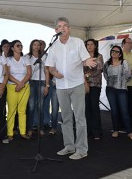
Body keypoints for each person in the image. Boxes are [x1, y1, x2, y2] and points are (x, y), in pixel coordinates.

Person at [45, 17, 97, 160]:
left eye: (65, 26)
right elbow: (50, 67)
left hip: (76, 85)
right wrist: (55, 73)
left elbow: (84, 59)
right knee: (66, 118)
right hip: (61, 87)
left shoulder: (78, 42)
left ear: (69, 28)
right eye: (60, 26)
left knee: (80, 118)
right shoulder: (53, 46)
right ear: (56, 30)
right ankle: (69, 146)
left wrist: (88, 61)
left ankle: (81, 149)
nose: (63, 28)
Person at [103, 45, 132, 140]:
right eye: (113, 51)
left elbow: (128, 76)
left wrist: (120, 82)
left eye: (117, 51)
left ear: (120, 54)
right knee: (114, 111)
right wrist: (113, 82)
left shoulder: (124, 62)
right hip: (110, 89)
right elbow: (105, 76)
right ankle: (115, 130)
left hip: (122, 90)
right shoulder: (106, 64)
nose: (114, 53)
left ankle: (129, 132)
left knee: (124, 111)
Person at [6, 40, 31, 141]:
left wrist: (21, 84)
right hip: (12, 87)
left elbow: (29, 73)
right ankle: (10, 133)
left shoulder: (25, 59)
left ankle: (23, 132)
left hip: (24, 87)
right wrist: (18, 83)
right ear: (12, 48)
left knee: (22, 110)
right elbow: (8, 74)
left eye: (21, 45)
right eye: (17, 45)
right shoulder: (8, 59)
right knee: (12, 110)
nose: (20, 47)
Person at [26, 39, 49, 137]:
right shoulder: (27, 57)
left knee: (41, 106)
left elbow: (47, 71)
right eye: (34, 45)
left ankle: (41, 128)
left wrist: (47, 85)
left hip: (42, 82)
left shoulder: (44, 56)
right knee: (31, 106)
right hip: (31, 82)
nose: (36, 46)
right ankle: (30, 128)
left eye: (38, 45)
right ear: (31, 46)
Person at [84, 39, 104, 140]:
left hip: (95, 85)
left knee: (94, 107)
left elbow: (99, 69)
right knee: (86, 108)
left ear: (95, 46)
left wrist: (86, 75)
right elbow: (79, 70)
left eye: (92, 44)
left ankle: (97, 132)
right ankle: (88, 131)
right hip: (83, 85)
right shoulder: (83, 57)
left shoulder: (99, 56)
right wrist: (85, 81)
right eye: (88, 44)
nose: (90, 46)